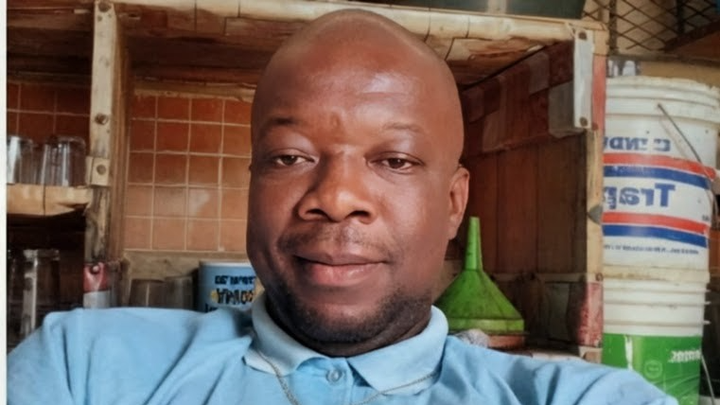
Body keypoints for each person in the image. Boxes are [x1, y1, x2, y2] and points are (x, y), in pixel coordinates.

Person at [8, 9, 677, 405]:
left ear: (453, 204)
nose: (335, 199)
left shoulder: (580, 398)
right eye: (290, 156)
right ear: (253, 182)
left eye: (395, 161)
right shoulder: (86, 369)